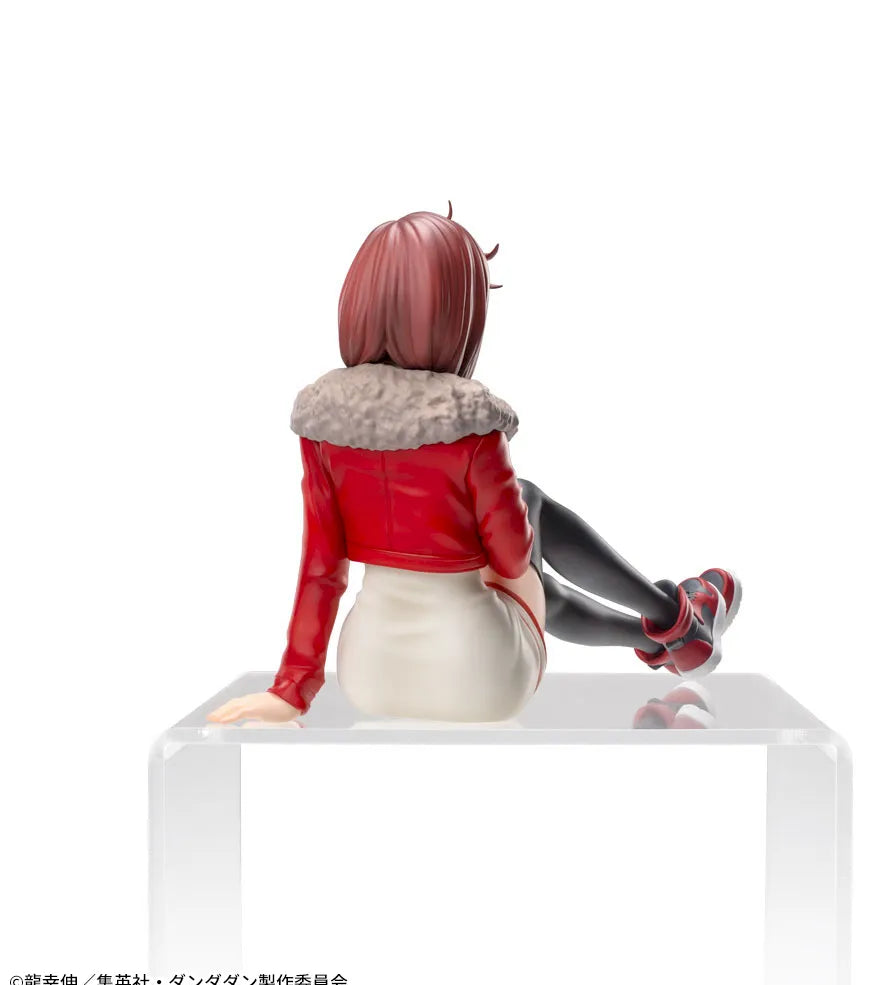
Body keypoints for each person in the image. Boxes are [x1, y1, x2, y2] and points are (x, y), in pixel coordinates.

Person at [208, 206, 740, 725]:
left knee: (506, 578)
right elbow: (511, 558)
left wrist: (290, 691)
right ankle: (674, 619)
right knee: (527, 510)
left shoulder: (323, 427)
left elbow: (320, 570)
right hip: (482, 680)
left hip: (369, 677)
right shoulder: (468, 425)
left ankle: (661, 637)